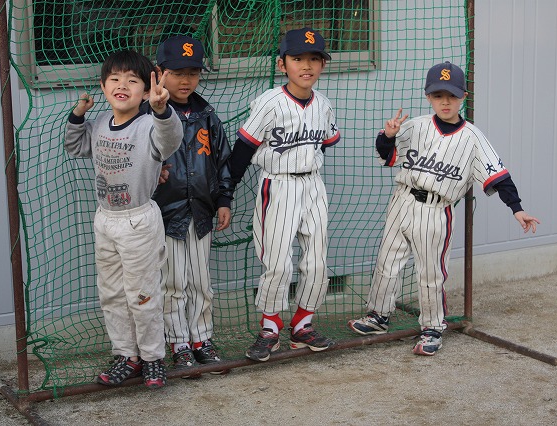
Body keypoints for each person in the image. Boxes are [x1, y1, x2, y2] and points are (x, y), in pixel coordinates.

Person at [347, 61, 540, 356]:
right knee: (387, 262)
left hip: (436, 209)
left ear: (463, 96)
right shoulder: (415, 126)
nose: (445, 102)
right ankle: (378, 316)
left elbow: (499, 176)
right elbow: (387, 154)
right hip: (402, 201)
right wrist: (387, 136)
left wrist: (517, 208)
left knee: (430, 272)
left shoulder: (472, 137)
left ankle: (432, 327)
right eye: (438, 95)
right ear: (429, 96)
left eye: (452, 95)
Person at [64, 50, 183, 388]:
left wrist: (161, 109)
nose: (122, 86)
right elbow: (75, 146)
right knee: (112, 294)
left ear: (145, 91)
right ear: (103, 86)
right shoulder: (101, 123)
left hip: (138, 221)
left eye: (132, 81)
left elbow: (171, 140)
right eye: (114, 79)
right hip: (106, 220)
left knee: (142, 295)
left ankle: (152, 358)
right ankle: (126, 356)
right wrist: (78, 114)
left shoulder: (149, 126)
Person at [229, 28, 340, 362]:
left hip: (313, 184)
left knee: (317, 261)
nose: (306, 65)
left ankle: (303, 324)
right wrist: (224, 194)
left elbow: (324, 143)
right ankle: (270, 327)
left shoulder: (324, 104)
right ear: (282, 64)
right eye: (298, 58)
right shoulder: (270, 102)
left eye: (314, 59)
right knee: (277, 262)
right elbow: (242, 149)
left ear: (322, 65)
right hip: (278, 184)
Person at [151, 35, 233, 376]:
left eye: (193, 73)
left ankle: (202, 339)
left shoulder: (206, 115)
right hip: (164, 214)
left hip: (200, 211)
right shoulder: (148, 115)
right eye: (177, 72)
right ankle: (178, 343)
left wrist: (224, 200)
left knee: (201, 282)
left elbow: (223, 161)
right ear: (159, 73)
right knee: (172, 283)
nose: (186, 80)